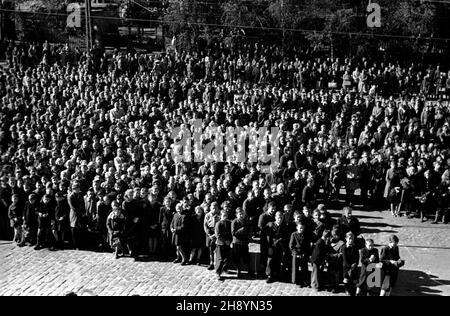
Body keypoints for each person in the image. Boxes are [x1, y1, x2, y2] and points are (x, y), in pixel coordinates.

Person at [266, 211, 288, 283]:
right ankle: (269, 275)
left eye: (281, 218)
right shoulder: (271, 225)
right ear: (275, 218)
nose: (280, 219)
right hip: (272, 246)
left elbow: (285, 236)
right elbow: (268, 237)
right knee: (270, 261)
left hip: (280, 246)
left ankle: (276, 274)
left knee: (278, 260)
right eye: (278, 218)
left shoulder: (284, 226)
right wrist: (269, 247)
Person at [231, 207, 251, 278]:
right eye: (240, 214)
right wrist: (241, 230)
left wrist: (249, 238)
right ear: (237, 215)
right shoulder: (234, 222)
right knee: (237, 257)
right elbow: (233, 233)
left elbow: (249, 230)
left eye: (242, 214)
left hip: (244, 242)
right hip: (237, 242)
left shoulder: (246, 221)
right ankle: (238, 270)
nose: (241, 215)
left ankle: (249, 270)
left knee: (246, 257)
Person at [289, 223, 310, 287]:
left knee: (304, 268)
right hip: (296, 253)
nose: (301, 229)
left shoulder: (305, 235)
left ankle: (304, 280)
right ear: (297, 228)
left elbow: (307, 245)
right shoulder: (294, 234)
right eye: (300, 228)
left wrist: (304, 253)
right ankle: (296, 281)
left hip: (303, 253)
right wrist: (296, 253)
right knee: (295, 268)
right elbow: (291, 245)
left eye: (303, 228)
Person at [215, 209, 232, 281]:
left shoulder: (229, 223)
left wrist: (229, 241)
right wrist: (225, 241)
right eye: (223, 215)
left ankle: (225, 269)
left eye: (226, 215)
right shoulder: (218, 224)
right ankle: (218, 272)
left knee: (227, 257)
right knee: (220, 258)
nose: (225, 217)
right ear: (220, 216)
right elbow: (218, 235)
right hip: (220, 243)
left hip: (227, 243)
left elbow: (231, 233)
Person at [68, 182, 86, 250]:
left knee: (80, 229)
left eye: (78, 188)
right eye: (76, 188)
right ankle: (76, 245)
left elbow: (83, 203)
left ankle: (81, 243)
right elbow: (73, 207)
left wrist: (83, 211)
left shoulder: (80, 194)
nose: (78, 189)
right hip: (74, 215)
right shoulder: (71, 196)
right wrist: (80, 213)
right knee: (74, 230)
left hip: (81, 213)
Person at [342, 232, 360, 296]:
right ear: (346, 239)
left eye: (352, 238)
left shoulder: (355, 247)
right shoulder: (344, 247)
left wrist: (355, 264)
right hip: (346, 266)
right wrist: (349, 266)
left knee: (354, 279)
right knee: (346, 279)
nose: (351, 240)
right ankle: (346, 290)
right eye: (349, 238)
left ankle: (353, 291)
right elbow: (345, 259)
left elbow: (357, 257)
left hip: (354, 266)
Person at [204, 202, 220, 270]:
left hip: (217, 232)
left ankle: (217, 263)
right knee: (210, 249)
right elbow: (205, 225)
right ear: (210, 208)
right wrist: (209, 234)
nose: (214, 209)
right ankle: (211, 262)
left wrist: (215, 235)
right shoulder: (207, 215)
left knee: (217, 248)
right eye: (213, 208)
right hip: (210, 233)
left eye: (216, 208)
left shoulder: (219, 215)